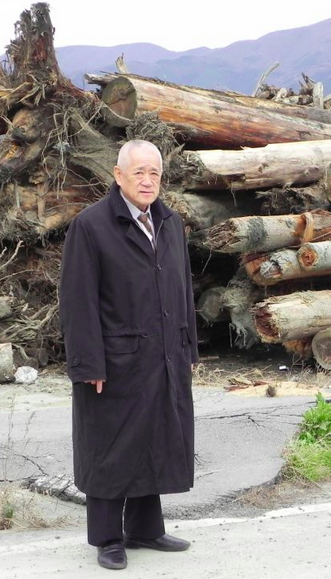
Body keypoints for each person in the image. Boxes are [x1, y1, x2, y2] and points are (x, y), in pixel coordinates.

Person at [59, 140, 198, 570]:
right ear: (117, 176)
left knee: (154, 436)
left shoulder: (169, 223)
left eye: (154, 172)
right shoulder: (91, 225)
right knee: (111, 445)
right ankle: (107, 537)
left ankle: (145, 529)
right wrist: (87, 363)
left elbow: (182, 287)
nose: (147, 180)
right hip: (115, 360)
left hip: (162, 353)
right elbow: (76, 299)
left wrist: (187, 346)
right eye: (138, 172)